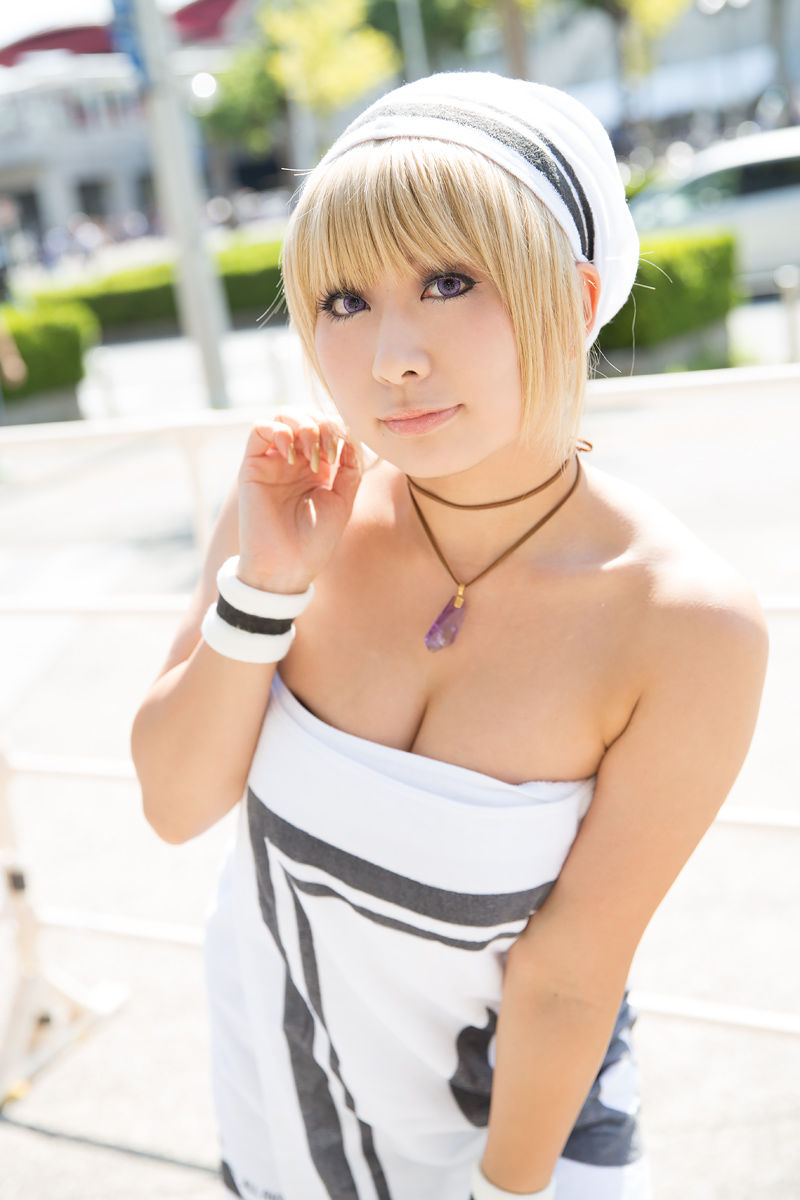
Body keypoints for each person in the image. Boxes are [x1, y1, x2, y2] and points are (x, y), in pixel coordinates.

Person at [131, 73, 768, 1200]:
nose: (390, 357)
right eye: (343, 300)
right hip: (286, 1097)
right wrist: (265, 589)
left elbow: (569, 977)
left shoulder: (680, 622)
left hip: (515, 1145)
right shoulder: (294, 506)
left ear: (574, 299)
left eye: (448, 281)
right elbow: (175, 805)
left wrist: (501, 1192)